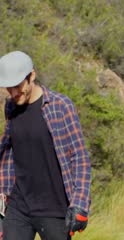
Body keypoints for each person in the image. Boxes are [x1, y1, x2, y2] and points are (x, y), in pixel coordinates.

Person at [0, 51, 91, 240]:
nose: (14, 93)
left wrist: (80, 203)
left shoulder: (60, 106)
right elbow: (8, 154)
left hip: (54, 209)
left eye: (18, 86)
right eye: (9, 88)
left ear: (32, 75)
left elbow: (79, 157)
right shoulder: (10, 107)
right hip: (18, 206)